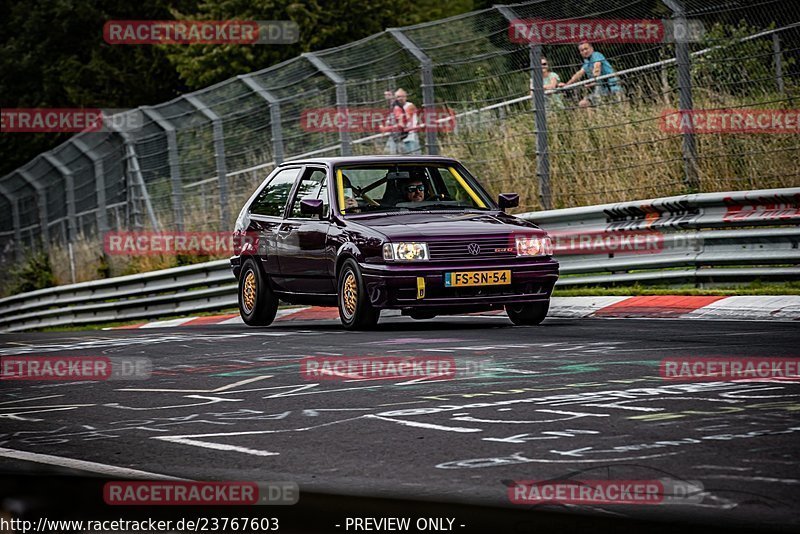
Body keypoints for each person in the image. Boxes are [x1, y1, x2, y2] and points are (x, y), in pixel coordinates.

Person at [558, 42, 622, 108]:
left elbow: (597, 66)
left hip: (612, 86)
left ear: (592, 48)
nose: (585, 51)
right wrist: (567, 85)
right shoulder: (586, 62)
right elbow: (578, 74)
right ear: (580, 53)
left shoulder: (596, 55)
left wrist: (594, 78)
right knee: (583, 104)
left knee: (617, 105)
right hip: (601, 88)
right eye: (582, 50)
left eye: (586, 49)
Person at [379, 88, 421, 155]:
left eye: (402, 96)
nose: (400, 98)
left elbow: (405, 121)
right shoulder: (395, 108)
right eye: (398, 97)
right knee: (390, 156)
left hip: (409, 137)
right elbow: (389, 121)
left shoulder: (409, 106)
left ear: (406, 97)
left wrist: (387, 128)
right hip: (396, 137)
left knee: (412, 157)